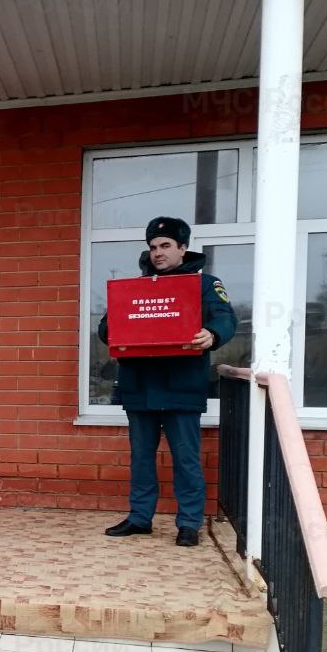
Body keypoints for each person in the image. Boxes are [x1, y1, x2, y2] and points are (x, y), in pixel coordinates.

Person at [98, 216, 237, 547]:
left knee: (186, 459)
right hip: (140, 387)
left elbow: (226, 318)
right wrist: (117, 331)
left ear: (182, 248)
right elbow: (105, 328)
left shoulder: (205, 285)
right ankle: (139, 518)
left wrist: (213, 334)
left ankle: (189, 523)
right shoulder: (133, 289)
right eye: (153, 247)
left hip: (181, 387)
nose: (158, 253)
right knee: (141, 458)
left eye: (165, 246)